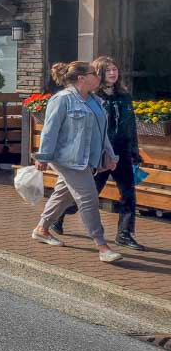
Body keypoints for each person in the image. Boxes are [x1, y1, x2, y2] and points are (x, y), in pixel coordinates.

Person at [32, 61, 123, 263]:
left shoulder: (95, 101)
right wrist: (43, 157)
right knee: (88, 198)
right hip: (67, 159)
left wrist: (110, 155)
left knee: (63, 195)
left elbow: (102, 132)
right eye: (94, 74)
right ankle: (102, 246)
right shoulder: (62, 99)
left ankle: (42, 229)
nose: (98, 77)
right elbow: (49, 130)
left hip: (86, 159)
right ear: (81, 78)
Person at [50, 57, 146, 250]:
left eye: (115, 69)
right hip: (101, 154)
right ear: (98, 73)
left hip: (123, 151)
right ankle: (58, 216)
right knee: (88, 196)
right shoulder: (93, 97)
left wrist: (134, 151)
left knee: (128, 194)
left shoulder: (124, 96)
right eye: (108, 70)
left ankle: (125, 234)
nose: (113, 73)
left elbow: (131, 126)